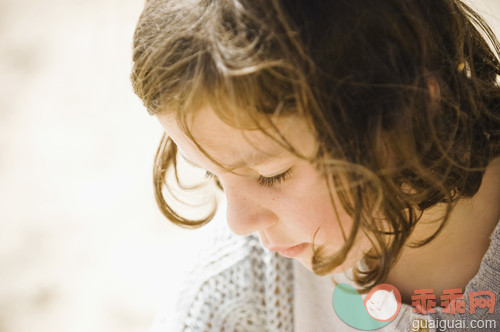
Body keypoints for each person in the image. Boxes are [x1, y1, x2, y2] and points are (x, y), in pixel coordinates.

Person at [131, 0, 500, 330]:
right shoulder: (241, 289)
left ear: (408, 113)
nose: (238, 223)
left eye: (270, 176)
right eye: (213, 173)